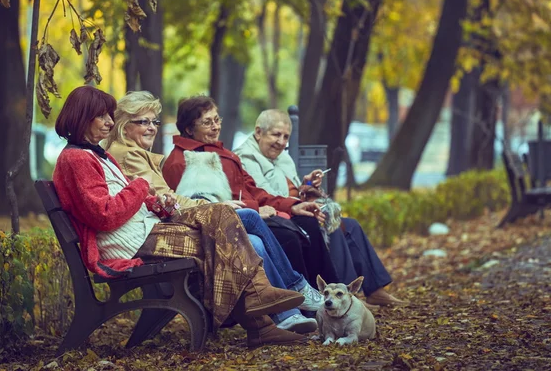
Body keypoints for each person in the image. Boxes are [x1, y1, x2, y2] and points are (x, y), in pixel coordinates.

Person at [52, 86, 309, 349]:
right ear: (83, 117)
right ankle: (260, 307)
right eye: (102, 116)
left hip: (144, 231)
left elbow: (125, 201)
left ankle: (260, 314)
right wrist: (141, 186)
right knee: (227, 236)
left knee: (222, 217)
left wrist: (157, 203)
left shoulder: (95, 155)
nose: (109, 121)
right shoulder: (77, 159)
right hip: (131, 242)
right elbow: (104, 214)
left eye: (110, 115)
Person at [162, 96, 340, 290]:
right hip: (229, 226)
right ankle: (300, 304)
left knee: (309, 223)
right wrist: (257, 209)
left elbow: (254, 191)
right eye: (207, 122)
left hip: (252, 215)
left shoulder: (223, 154)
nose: (215, 127)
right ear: (189, 129)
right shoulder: (181, 161)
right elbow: (196, 207)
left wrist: (293, 205)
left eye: (216, 120)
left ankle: (332, 293)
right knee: (289, 237)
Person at [233, 109, 407, 306]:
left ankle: (375, 289)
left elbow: (291, 190)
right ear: (258, 132)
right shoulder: (246, 159)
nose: (281, 142)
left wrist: (306, 186)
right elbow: (266, 196)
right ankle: (344, 295)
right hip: (283, 216)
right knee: (334, 228)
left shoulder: (281, 157)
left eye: (285, 137)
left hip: (297, 208)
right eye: (275, 134)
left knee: (352, 226)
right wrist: (299, 200)